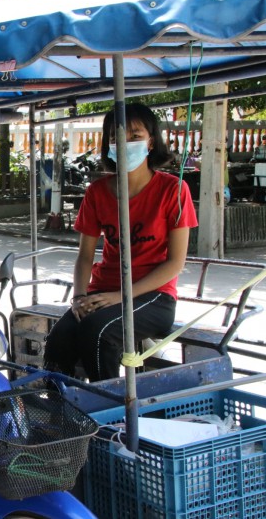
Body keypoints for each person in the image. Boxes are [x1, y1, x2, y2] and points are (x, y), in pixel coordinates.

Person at [43, 103, 198, 382]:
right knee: (60, 337)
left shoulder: (173, 190)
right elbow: (85, 256)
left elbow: (175, 263)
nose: (125, 143)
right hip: (103, 292)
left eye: (135, 136)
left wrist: (122, 296)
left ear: (151, 142)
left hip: (154, 297)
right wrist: (78, 297)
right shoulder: (97, 192)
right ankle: (56, 403)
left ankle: (108, 405)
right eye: (117, 137)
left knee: (98, 332)